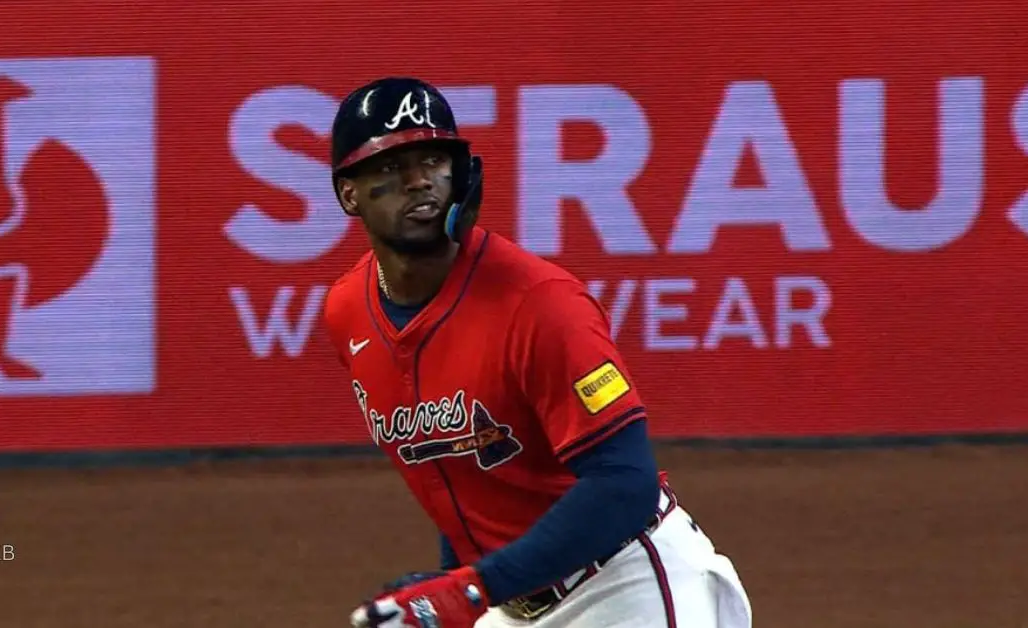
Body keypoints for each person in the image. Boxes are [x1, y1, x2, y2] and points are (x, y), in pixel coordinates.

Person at [322, 77, 752, 628]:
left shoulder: (540, 304)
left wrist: (471, 590)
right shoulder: (348, 313)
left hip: (626, 584)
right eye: (390, 167)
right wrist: (457, 585)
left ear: (462, 175)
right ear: (348, 193)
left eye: (433, 159)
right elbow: (457, 467)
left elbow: (625, 482)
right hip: (512, 601)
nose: (418, 180)